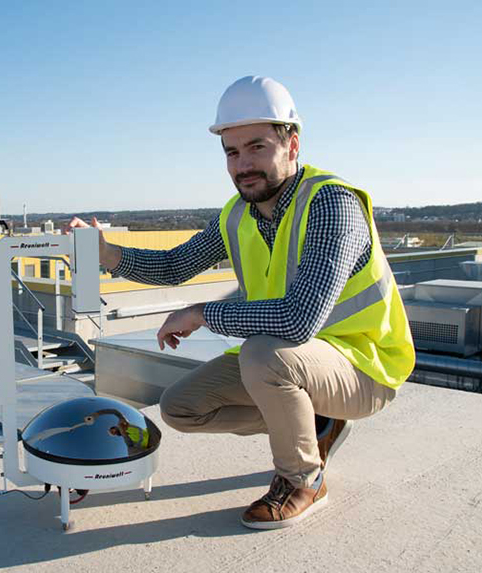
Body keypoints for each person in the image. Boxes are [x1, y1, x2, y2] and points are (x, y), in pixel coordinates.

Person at [66, 76, 415, 529]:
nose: (243, 165)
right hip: (296, 361)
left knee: (264, 354)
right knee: (181, 407)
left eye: (257, 147)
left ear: (292, 144)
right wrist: (107, 253)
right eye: (232, 152)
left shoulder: (331, 204)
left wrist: (203, 314)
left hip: (364, 365)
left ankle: (303, 480)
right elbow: (175, 266)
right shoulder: (238, 213)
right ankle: (319, 426)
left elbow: (296, 320)